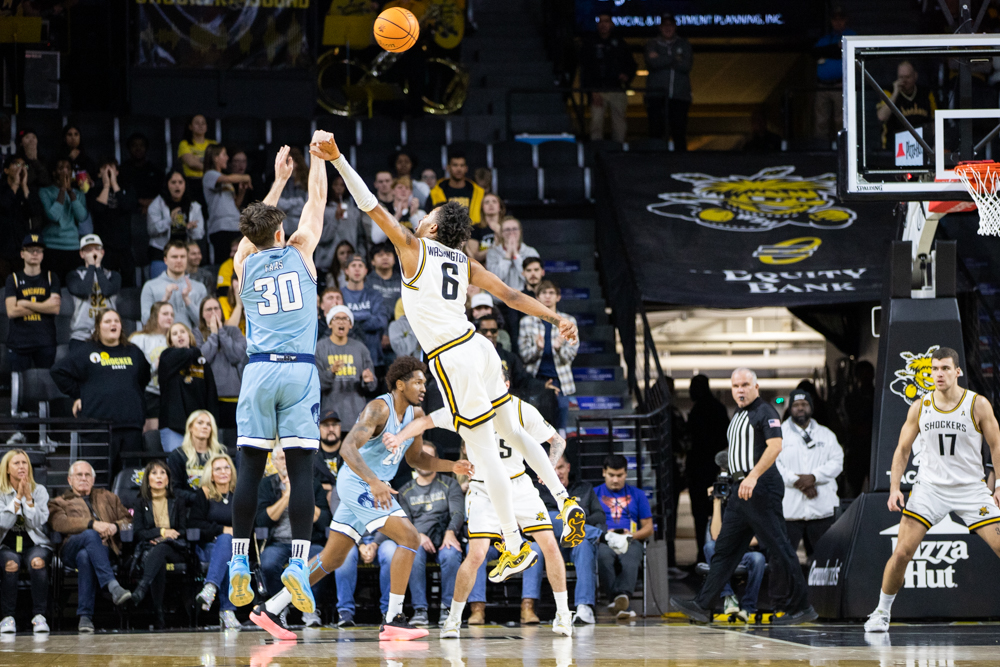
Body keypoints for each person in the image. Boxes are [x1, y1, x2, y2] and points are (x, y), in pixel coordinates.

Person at [315, 131, 585, 584]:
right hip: (481, 347)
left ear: (434, 228)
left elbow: (370, 206)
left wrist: (340, 159)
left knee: (484, 452)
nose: (420, 219)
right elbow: (514, 296)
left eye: (427, 216)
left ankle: (515, 546)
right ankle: (561, 497)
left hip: (453, 357)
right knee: (510, 429)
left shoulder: (413, 247)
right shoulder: (463, 261)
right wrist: (555, 317)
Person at [248, 356, 471, 641]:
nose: (423, 387)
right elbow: (347, 449)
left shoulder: (415, 416)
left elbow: (416, 459)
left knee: (332, 558)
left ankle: (270, 608)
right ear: (400, 384)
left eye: (424, 382)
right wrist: (374, 481)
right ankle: (393, 619)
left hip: (373, 485)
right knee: (410, 538)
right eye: (418, 381)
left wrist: (451, 466)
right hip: (359, 483)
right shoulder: (378, 408)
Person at [383, 372, 574, 637]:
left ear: (506, 385)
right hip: (483, 490)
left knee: (550, 546)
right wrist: (400, 437)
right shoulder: (465, 410)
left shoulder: (522, 409)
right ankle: (454, 620)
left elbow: (557, 440)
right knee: (475, 555)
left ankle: (564, 615)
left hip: (518, 485)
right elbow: (425, 421)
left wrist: (549, 467)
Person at [227, 141, 326, 617]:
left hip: (259, 369)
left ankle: (238, 565)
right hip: (300, 369)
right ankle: (299, 566)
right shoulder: (301, 254)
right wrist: (319, 161)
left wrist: (279, 177)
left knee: (249, 466)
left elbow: (254, 229)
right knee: (302, 468)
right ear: (282, 229)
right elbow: (319, 204)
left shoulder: (241, 265)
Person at [864, 347, 1000, 632]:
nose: (938, 374)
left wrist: (998, 484)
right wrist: (894, 488)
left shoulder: (977, 404)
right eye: (935, 368)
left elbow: (996, 445)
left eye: (945, 368)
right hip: (929, 488)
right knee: (901, 552)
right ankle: (881, 612)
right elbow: (901, 449)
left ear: (957, 371)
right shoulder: (921, 405)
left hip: (970, 488)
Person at [671, 368, 818, 625]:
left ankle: (802, 606)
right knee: (724, 551)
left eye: (745, 385)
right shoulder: (739, 414)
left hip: (761, 488)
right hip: (740, 489)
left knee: (780, 548)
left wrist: (753, 476)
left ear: (756, 387)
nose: (740, 390)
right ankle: (702, 605)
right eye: (736, 385)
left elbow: (775, 446)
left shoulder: (766, 412)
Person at [50, 309, 150, 475]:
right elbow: (58, 371)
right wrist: (79, 395)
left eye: (116, 321)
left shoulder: (134, 352)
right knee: (100, 480)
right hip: (98, 427)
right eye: (107, 321)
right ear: (98, 327)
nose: (113, 324)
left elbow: (143, 378)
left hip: (130, 426)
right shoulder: (86, 351)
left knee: (130, 478)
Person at [47, 460, 134, 633]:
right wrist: (92, 525)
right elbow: (59, 523)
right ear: (69, 480)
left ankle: (85, 617)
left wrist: (115, 527)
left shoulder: (109, 497)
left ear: (93, 480)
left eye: (88, 475)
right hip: (70, 549)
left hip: (105, 550)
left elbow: (130, 524)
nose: (84, 478)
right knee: (89, 534)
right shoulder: (59, 502)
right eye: (79, 475)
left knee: (85, 557)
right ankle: (112, 586)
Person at [255, 446, 330, 628]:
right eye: (281, 458)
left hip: (308, 542)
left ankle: (309, 608)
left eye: (288, 458)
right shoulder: (266, 485)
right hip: (277, 543)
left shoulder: (311, 484)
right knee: (269, 563)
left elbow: (325, 519)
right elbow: (262, 520)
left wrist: (300, 494)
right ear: (273, 462)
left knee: (319, 558)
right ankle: (280, 608)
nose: (285, 462)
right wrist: (287, 496)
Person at [393, 441, 465, 627]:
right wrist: (417, 535)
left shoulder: (449, 484)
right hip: (418, 538)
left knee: (451, 554)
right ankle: (420, 610)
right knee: (412, 553)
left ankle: (447, 609)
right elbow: (404, 521)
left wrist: (450, 532)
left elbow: (458, 513)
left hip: (444, 536)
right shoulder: (405, 490)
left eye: (429, 457)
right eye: (421, 456)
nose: (424, 461)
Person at [531, 453, 607, 625]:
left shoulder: (584, 489)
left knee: (584, 544)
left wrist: (579, 522)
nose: (557, 473)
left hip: (574, 547)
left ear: (568, 468)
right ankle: (605, 538)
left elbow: (599, 517)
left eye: (560, 467)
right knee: (551, 517)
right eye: (552, 469)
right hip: (549, 547)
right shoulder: (539, 491)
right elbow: (536, 521)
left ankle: (584, 608)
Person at [777, 390, 844, 557]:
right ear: (790, 408)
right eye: (796, 405)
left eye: (804, 404)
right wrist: (797, 481)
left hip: (821, 510)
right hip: (789, 512)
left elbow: (837, 461)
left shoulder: (826, 435)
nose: (800, 408)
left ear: (811, 407)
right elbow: (773, 464)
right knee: (781, 562)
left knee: (825, 560)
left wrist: (814, 477)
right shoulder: (778, 434)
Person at [703, 451, 766, 621]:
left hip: (743, 553)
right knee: (709, 547)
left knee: (758, 559)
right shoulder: (723, 503)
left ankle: (748, 607)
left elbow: (758, 538)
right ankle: (728, 597)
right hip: (725, 553)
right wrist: (716, 502)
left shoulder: (751, 501)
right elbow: (715, 536)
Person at [129, 460, 189, 628]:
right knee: (158, 557)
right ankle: (159, 614)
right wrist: (162, 532)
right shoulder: (140, 502)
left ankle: (142, 588)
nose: (159, 477)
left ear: (168, 479)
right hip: (151, 548)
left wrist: (169, 536)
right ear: (147, 479)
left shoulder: (178, 501)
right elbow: (138, 532)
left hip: (175, 547)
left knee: (162, 547)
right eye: (154, 473)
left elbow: (183, 530)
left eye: (163, 473)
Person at [593, 454, 652, 619]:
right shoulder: (594, 493)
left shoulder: (638, 495)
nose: (615, 480)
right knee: (603, 556)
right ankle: (622, 602)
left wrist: (632, 535)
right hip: (605, 539)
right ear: (604, 472)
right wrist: (603, 535)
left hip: (630, 539)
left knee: (631, 557)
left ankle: (619, 600)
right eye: (611, 475)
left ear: (626, 474)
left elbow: (648, 528)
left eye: (620, 475)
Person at [0, 449, 52, 634]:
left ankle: (39, 616)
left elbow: (35, 522)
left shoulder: (40, 491)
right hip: (6, 544)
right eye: (16, 463)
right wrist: (17, 499)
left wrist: (29, 498)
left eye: (24, 463)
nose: (22, 466)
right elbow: (3, 523)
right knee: (11, 564)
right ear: (6, 469)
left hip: (35, 544)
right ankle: (7, 618)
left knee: (37, 562)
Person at [518, 281, 579, 433]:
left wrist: (558, 350)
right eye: (543, 293)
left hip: (560, 380)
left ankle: (559, 456)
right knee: (533, 425)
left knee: (560, 427)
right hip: (535, 379)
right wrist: (538, 348)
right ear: (537, 297)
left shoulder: (568, 322)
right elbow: (524, 356)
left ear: (558, 297)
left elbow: (571, 356)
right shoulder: (527, 321)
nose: (547, 296)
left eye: (551, 293)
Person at [190, 453, 241, 629]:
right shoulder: (204, 494)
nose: (223, 472)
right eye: (217, 469)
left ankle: (210, 588)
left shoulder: (239, 494)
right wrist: (221, 531)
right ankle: (227, 612)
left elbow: (249, 521)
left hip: (237, 547)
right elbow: (195, 523)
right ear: (211, 474)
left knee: (228, 550)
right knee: (227, 552)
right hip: (208, 546)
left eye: (227, 467)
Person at [686, 374, 730, 562]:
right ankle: (717, 553)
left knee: (700, 514)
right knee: (719, 512)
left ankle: (703, 554)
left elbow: (690, 439)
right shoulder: (718, 408)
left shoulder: (697, 411)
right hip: (715, 469)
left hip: (700, 469)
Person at [158, 322, 218, 452]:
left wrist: (211, 425)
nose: (179, 335)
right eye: (174, 334)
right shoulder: (166, 357)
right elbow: (185, 354)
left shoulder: (201, 363)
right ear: (171, 342)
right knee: (177, 467)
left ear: (190, 336)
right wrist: (195, 351)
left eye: (182, 331)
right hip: (173, 427)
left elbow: (211, 395)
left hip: (199, 427)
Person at [5, 235, 61, 371]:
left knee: (46, 385)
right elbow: (12, 312)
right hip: (19, 343)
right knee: (18, 387)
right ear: (22, 254)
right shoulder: (13, 279)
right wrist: (44, 305)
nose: (35, 253)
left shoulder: (50, 277)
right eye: (30, 250)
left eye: (38, 250)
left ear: (42, 255)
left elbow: (55, 308)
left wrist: (24, 303)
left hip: (45, 342)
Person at [316, 305, 377, 427]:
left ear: (351, 325)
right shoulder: (320, 348)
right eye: (337, 318)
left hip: (356, 417)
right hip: (329, 417)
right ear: (329, 324)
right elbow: (315, 385)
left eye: (345, 319)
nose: (341, 321)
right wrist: (331, 372)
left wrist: (367, 380)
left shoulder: (360, 349)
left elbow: (372, 385)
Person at [580, 13, 636, 142]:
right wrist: (592, 90)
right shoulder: (590, 43)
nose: (603, 24)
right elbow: (586, 69)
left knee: (619, 123)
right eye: (600, 21)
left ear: (612, 24)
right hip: (598, 89)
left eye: (606, 21)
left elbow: (631, 64)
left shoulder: (620, 43)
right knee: (596, 123)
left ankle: (618, 151)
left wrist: (626, 75)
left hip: (617, 88)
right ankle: (596, 153)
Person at [644, 13, 693, 150]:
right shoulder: (652, 43)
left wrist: (662, 58)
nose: (668, 28)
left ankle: (681, 163)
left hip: (679, 97)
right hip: (656, 96)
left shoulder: (684, 44)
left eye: (670, 25)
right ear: (660, 27)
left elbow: (686, 66)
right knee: (656, 131)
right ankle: (656, 163)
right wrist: (674, 58)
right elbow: (653, 63)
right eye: (665, 25)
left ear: (675, 26)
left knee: (679, 132)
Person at [197, 297, 246, 430]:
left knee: (233, 440)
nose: (213, 312)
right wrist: (213, 334)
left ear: (221, 311)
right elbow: (202, 359)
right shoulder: (196, 333)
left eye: (216, 308)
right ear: (202, 314)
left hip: (233, 396)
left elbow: (236, 356)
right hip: (208, 397)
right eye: (208, 309)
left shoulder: (233, 331)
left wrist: (221, 332)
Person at [87, 160, 137, 286]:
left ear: (117, 172)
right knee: (105, 284)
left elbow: (127, 206)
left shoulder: (127, 188)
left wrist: (114, 184)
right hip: (104, 247)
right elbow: (98, 209)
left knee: (128, 284)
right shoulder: (94, 191)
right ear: (99, 174)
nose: (108, 170)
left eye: (112, 168)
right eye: (104, 167)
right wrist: (106, 186)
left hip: (124, 246)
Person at [147, 171, 205, 278]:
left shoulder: (194, 206)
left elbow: (199, 234)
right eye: (173, 182)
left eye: (180, 182)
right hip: (161, 253)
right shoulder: (157, 204)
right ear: (167, 185)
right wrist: (170, 220)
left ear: (185, 185)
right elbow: (151, 230)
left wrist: (190, 228)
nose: (177, 185)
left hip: (184, 253)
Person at [66, 234, 121, 347]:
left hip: (107, 335)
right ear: (82, 254)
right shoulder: (74, 275)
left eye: (97, 249)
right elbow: (84, 291)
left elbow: (107, 291)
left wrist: (98, 268)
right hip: (81, 336)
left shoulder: (113, 275)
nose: (93, 253)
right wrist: (91, 266)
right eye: (89, 250)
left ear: (102, 253)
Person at [39, 159, 88, 280]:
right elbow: (53, 216)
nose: (65, 170)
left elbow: (81, 217)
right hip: (52, 246)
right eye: (61, 168)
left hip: (73, 246)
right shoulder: (45, 192)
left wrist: (70, 191)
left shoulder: (78, 194)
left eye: (68, 168)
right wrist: (62, 190)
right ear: (54, 172)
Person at [203, 144, 253, 264]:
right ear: (215, 158)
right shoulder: (210, 175)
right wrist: (245, 177)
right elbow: (226, 179)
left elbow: (234, 205)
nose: (227, 158)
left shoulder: (227, 181)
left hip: (234, 225)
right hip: (221, 228)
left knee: (238, 261)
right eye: (224, 155)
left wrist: (241, 192)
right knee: (224, 261)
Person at [141, 240, 206, 330]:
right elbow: (146, 322)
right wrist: (164, 301)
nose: (179, 260)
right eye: (174, 257)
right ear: (165, 260)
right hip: (161, 341)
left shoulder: (199, 287)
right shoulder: (150, 286)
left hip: (191, 341)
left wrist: (187, 301)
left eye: (182, 257)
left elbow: (203, 324)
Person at [812, 7, 856, 143]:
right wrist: (834, 49)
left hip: (840, 85)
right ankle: (821, 150)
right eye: (835, 19)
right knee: (821, 121)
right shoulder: (826, 38)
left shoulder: (850, 35)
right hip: (823, 86)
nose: (838, 22)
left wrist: (828, 53)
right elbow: (815, 52)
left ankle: (841, 148)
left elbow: (847, 51)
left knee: (840, 120)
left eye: (840, 19)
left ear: (845, 20)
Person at [129, 302, 174, 433]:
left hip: (169, 395)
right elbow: (133, 369)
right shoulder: (140, 338)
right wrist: (155, 366)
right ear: (155, 316)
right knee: (151, 435)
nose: (169, 317)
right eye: (165, 314)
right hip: (148, 393)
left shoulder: (175, 338)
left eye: (172, 314)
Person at [166, 409, 228, 503]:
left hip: (216, 504)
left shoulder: (220, 453)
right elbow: (174, 490)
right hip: (188, 508)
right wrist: (198, 498)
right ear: (190, 427)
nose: (205, 427)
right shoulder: (178, 455)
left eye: (209, 424)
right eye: (200, 423)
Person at [341, 253, 389, 370]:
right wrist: (367, 315)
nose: (357, 269)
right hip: (347, 357)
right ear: (346, 271)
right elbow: (340, 323)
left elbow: (381, 321)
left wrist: (352, 318)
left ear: (366, 270)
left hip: (374, 357)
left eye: (360, 265)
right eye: (353, 265)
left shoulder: (375, 295)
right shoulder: (340, 295)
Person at [876, 61, 936, 149]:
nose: (904, 81)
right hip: (896, 147)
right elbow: (881, 117)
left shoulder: (926, 93)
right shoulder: (889, 92)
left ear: (915, 76)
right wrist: (895, 93)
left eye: (907, 77)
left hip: (922, 146)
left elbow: (934, 121)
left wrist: (935, 143)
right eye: (901, 77)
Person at [320, 175, 366, 279]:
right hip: (327, 265)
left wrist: (360, 257)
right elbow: (321, 239)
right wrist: (335, 220)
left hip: (352, 265)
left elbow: (360, 238)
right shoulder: (321, 211)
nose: (339, 188)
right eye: (335, 185)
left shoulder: (355, 212)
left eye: (342, 185)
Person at [0, 156, 37, 282]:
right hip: (2, 250)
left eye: (24, 165)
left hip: (20, 250)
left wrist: (24, 186)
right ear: (6, 170)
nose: (21, 168)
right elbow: (3, 205)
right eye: (16, 164)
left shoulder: (26, 191)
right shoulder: (2, 189)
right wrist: (15, 184)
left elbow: (33, 212)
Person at [486, 217, 540, 293]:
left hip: (524, 299)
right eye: (507, 229)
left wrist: (516, 255)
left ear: (520, 232)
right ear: (501, 233)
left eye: (514, 229)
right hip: (498, 300)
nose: (511, 232)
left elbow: (530, 278)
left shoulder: (530, 252)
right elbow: (495, 279)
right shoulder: (493, 252)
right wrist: (507, 255)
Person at [429, 152, 485, 224]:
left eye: (462, 165)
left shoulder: (478, 192)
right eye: (455, 165)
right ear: (448, 168)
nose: (459, 169)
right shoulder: (435, 192)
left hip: (473, 232)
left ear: (466, 168)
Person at [119, 133, 161, 216]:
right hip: (129, 212)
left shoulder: (155, 170)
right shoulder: (122, 170)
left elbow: (161, 192)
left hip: (154, 210)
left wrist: (150, 205)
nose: (138, 148)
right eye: (134, 145)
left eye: (141, 145)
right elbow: (120, 194)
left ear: (146, 148)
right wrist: (139, 203)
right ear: (129, 148)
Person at [177, 114, 216, 200]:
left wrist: (198, 160)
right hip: (193, 183)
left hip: (211, 181)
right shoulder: (184, 144)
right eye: (197, 123)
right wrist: (209, 164)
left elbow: (219, 164)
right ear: (190, 127)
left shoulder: (213, 144)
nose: (200, 126)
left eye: (203, 123)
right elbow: (191, 163)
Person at [276, 147, 309, 237]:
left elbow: (305, 209)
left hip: (301, 229)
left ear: (297, 163)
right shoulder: (278, 182)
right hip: (283, 230)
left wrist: (286, 209)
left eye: (288, 161)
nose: (284, 164)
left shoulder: (307, 183)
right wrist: (298, 201)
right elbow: (277, 205)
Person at [366, 242, 402, 306]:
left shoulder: (402, 281)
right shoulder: (366, 281)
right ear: (372, 261)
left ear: (394, 260)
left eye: (388, 254)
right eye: (380, 255)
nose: (385, 258)